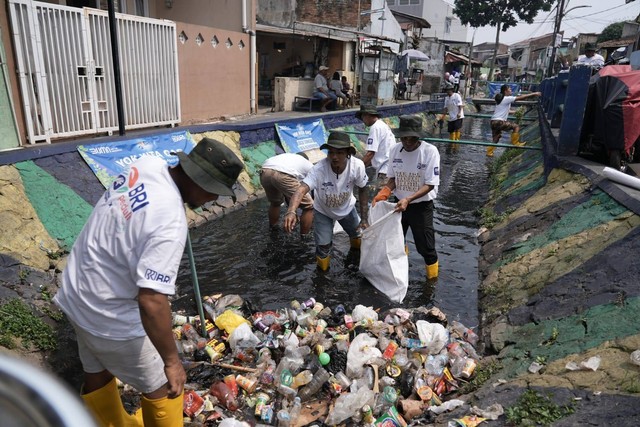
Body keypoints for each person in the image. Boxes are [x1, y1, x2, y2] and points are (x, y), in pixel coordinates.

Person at [54, 138, 243, 427]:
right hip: (109, 315)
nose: (213, 200)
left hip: (76, 291)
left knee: (98, 370)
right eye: (213, 193)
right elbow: (151, 300)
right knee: (166, 388)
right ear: (200, 183)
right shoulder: (170, 221)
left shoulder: (147, 165)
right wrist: (172, 362)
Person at [283, 131, 369, 271]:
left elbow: (363, 188)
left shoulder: (357, 166)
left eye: (339, 153)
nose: (334, 157)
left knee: (357, 236)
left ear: (348, 153)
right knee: (323, 247)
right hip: (324, 211)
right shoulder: (318, 169)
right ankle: (323, 277)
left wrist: (364, 218)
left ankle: (355, 261)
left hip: (347, 208)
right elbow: (301, 189)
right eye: (331, 152)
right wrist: (291, 211)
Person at [372, 115, 441, 280]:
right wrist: (385, 192)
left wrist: (408, 199)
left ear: (418, 137)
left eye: (412, 138)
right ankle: (400, 270)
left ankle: (431, 281)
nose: (408, 142)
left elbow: (430, 184)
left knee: (425, 247)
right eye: (404, 138)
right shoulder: (395, 150)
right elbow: (393, 178)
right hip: (398, 205)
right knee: (396, 240)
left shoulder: (430, 152)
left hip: (421, 206)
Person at [260, 151, 314, 236]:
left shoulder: (287, 157)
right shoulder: (308, 165)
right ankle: (304, 237)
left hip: (265, 171)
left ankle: (273, 230)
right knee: (309, 207)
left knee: (275, 203)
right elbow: (314, 189)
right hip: (283, 174)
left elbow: (289, 194)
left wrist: (293, 210)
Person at [487, 85, 542, 157]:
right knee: (516, 126)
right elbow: (521, 97)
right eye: (509, 89)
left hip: (493, 122)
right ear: (505, 91)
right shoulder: (506, 98)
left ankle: (489, 152)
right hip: (499, 122)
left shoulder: (500, 99)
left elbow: (505, 110)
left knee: (496, 138)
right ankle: (516, 143)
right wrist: (534, 94)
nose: (511, 91)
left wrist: (515, 111)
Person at [356, 104, 394, 191]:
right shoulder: (382, 125)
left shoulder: (375, 128)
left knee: (381, 195)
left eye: (363, 118)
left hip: (385, 169)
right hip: (388, 166)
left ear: (367, 116)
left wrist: (357, 168)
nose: (363, 121)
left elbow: (370, 154)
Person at [442, 82, 464, 147]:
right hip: (451, 116)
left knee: (457, 128)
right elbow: (446, 108)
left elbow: (460, 105)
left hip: (458, 116)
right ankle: (452, 142)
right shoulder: (447, 98)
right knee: (451, 130)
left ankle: (456, 142)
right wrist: (443, 116)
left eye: (448, 90)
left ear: (451, 90)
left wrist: (459, 113)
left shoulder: (456, 96)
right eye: (446, 90)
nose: (447, 92)